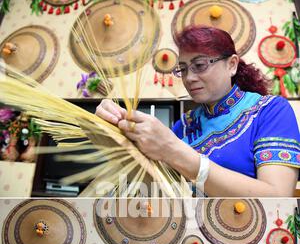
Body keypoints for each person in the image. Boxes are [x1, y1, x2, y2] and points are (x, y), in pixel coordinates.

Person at [96, 25, 300, 197]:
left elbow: (278, 196)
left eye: (200, 65)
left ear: (232, 65)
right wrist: (116, 137)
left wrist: (174, 150)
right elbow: (155, 189)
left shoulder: (269, 111)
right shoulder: (184, 125)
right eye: (182, 69)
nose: (189, 78)